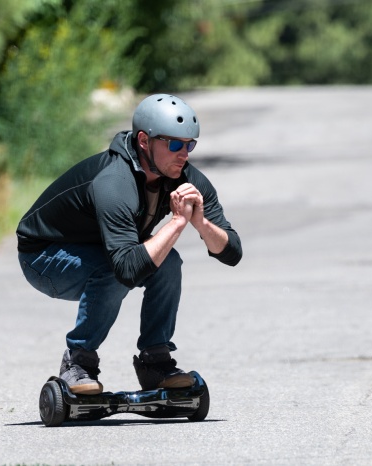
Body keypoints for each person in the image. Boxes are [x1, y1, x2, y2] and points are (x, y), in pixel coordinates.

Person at [17, 93, 242, 395]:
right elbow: (126, 270)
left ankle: (156, 362)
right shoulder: (113, 181)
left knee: (169, 261)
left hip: (101, 249)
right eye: (174, 144)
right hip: (44, 256)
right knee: (114, 269)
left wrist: (201, 224)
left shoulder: (183, 177)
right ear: (144, 141)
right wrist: (177, 223)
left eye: (190, 145)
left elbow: (231, 252)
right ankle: (78, 362)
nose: (184, 153)